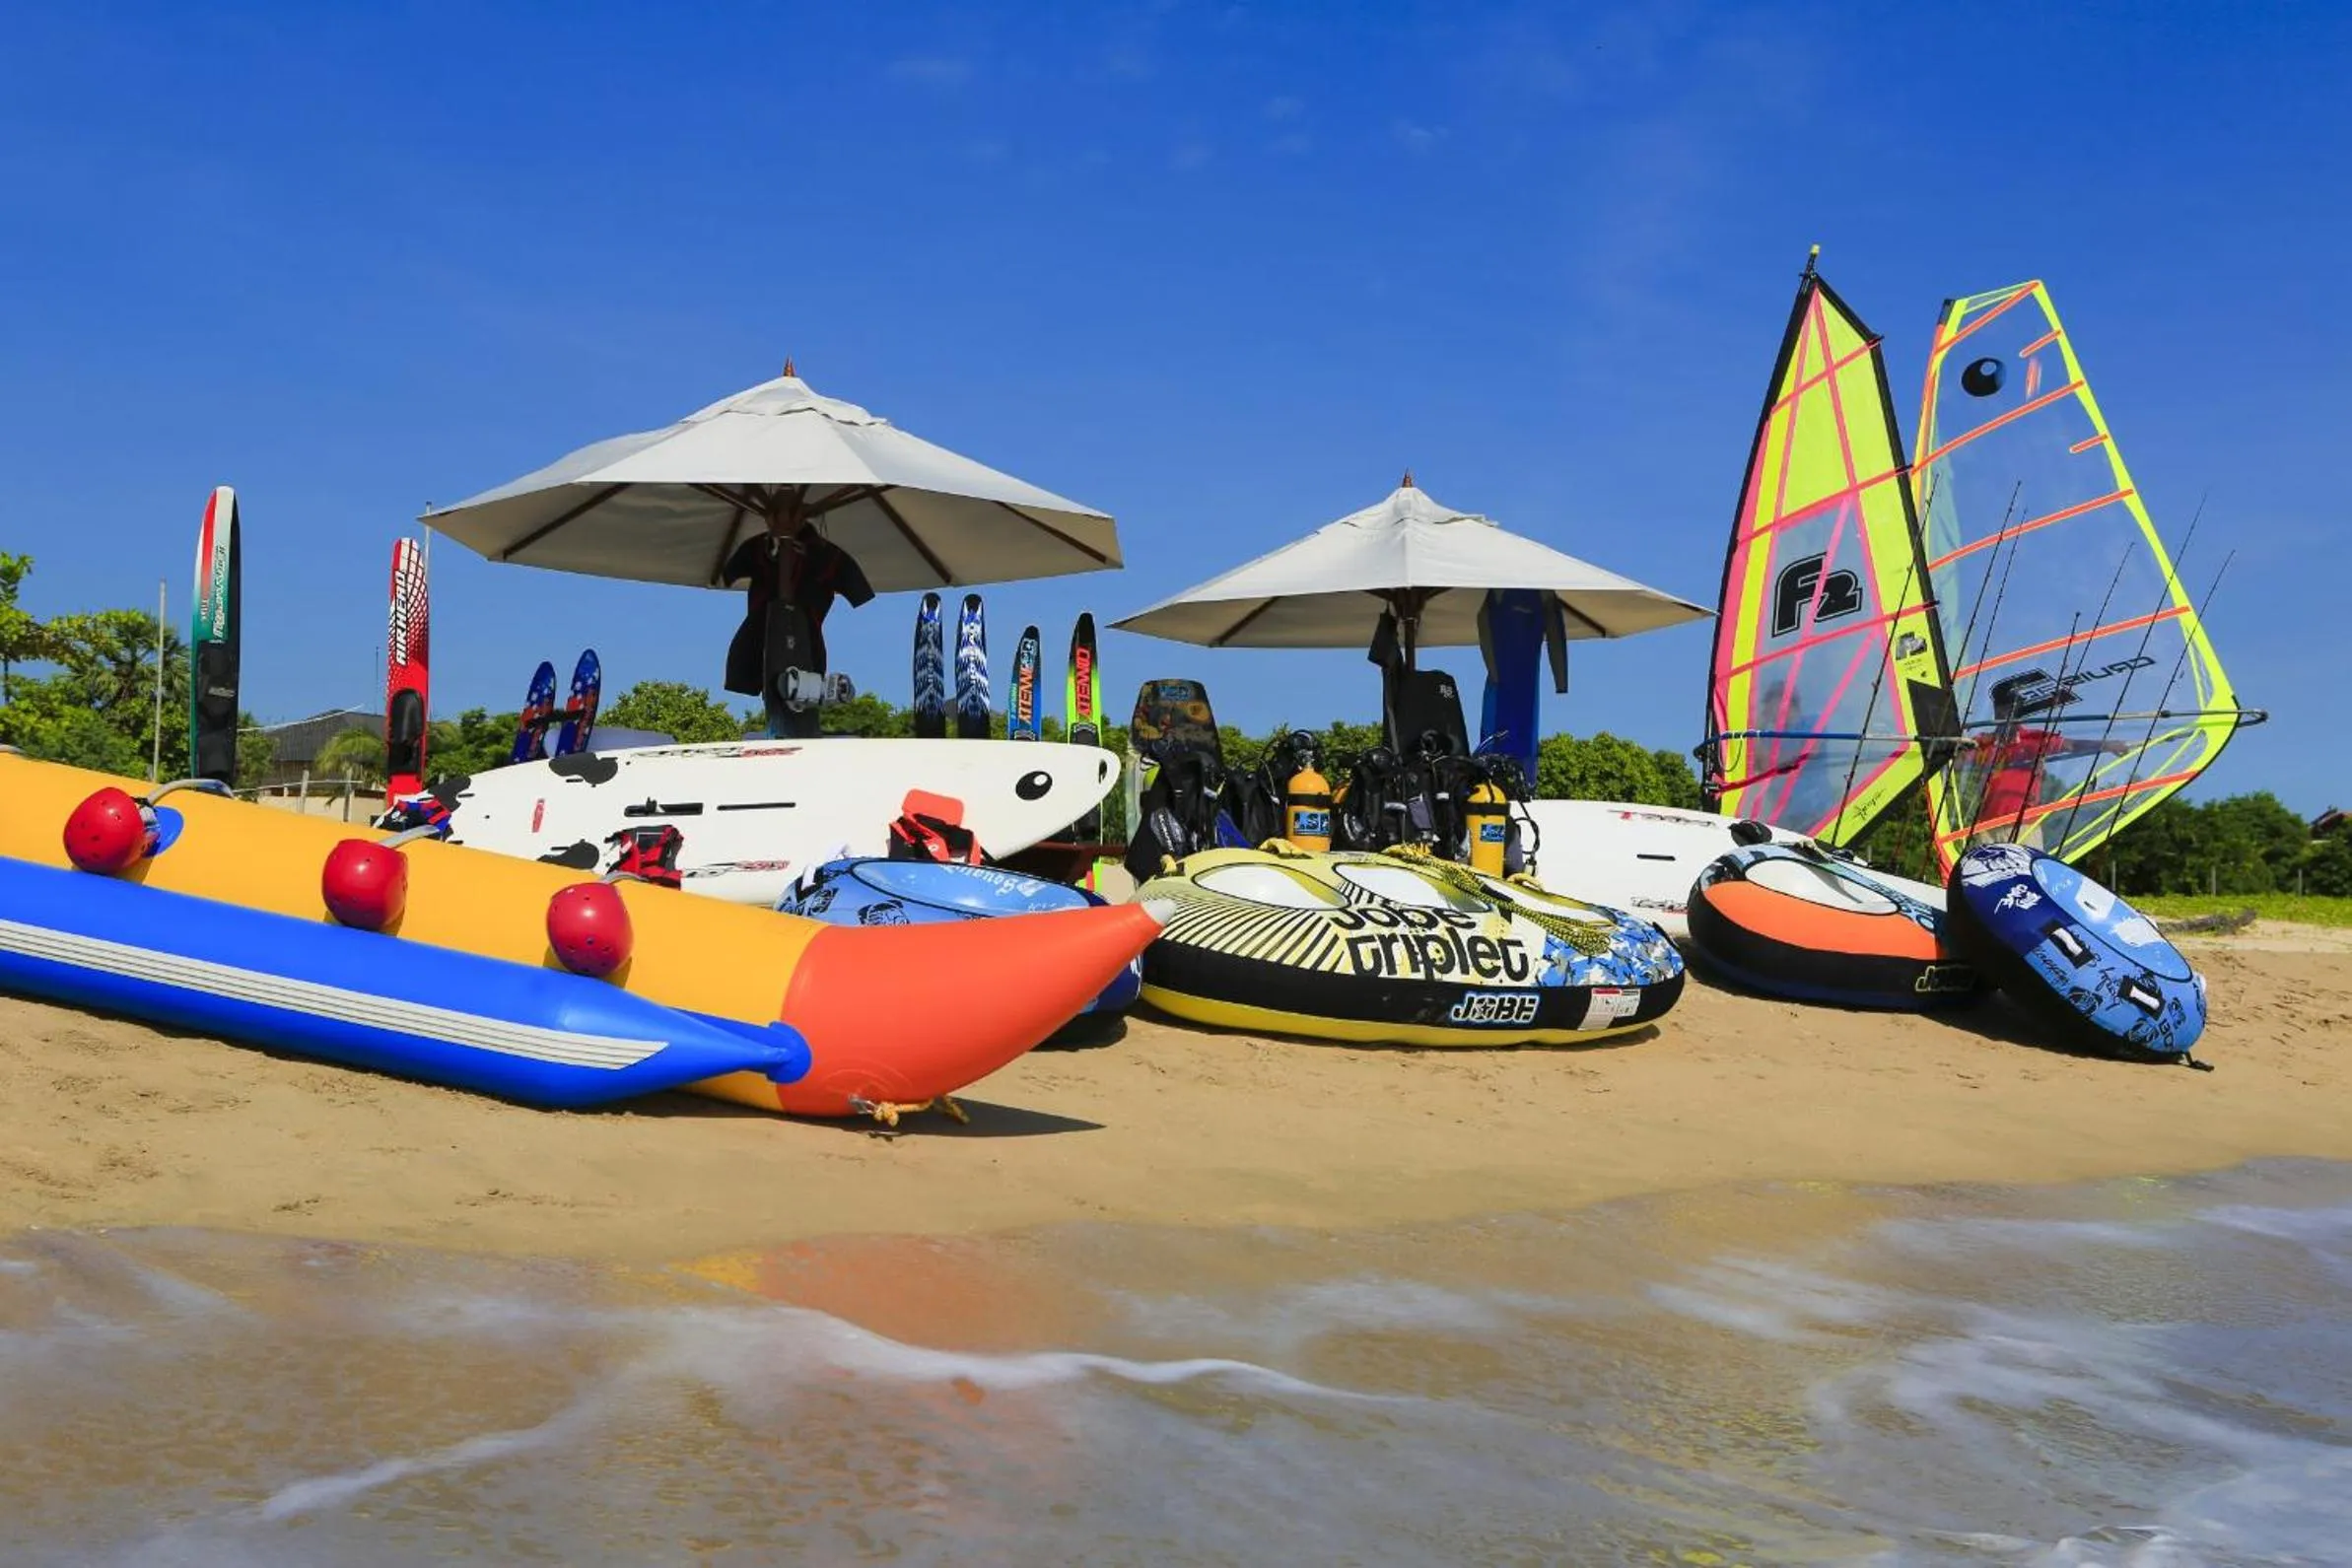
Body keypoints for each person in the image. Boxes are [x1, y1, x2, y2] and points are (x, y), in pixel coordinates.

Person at [722, 503, 874, 738]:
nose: (781, 516)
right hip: (758, 638)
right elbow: (728, 572)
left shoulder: (827, 554)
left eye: (788, 508)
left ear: (803, 515)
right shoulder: (756, 549)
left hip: (805, 638)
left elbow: (858, 588)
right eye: (776, 510)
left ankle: (804, 702)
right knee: (777, 696)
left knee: (799, 697)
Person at [1966, 692, 2129, 849]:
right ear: (1997, 712)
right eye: (2004, 710)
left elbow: (2070, 745)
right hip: (1985, 828)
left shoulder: (2033, 739)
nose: (2009, 714)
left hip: (2023, 826)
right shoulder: (1982, 743)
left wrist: (2107, 745)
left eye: (2014, 710)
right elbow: (1959, 761)